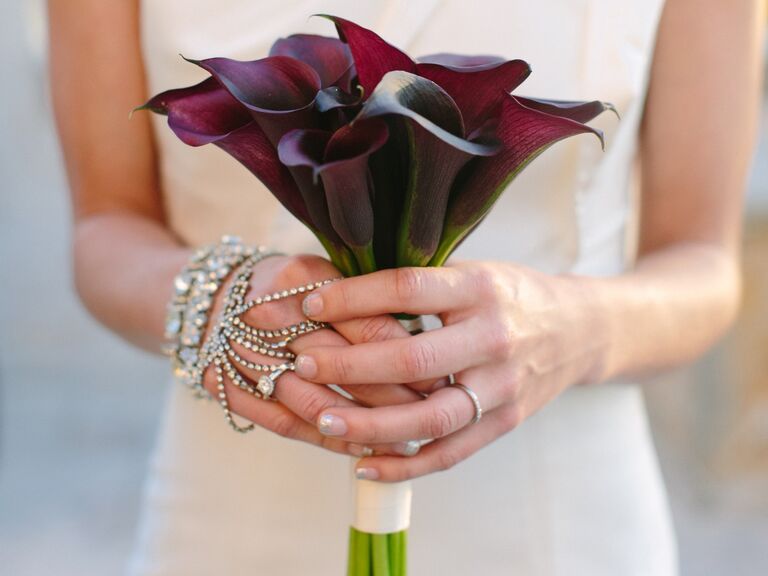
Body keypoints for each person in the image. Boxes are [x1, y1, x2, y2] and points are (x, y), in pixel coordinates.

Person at [48, 0, 764, 574]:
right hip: (234, 520)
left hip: (556, 525)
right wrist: (219, 300)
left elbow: (702, 265)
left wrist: (565, 327)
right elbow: (106, 226)